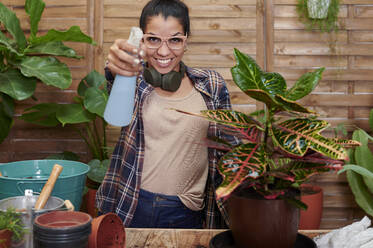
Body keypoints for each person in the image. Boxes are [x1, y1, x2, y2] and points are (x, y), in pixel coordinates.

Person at [96, 0, 237, 229]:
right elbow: (114, 76)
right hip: (132, 203)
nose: (163, 51)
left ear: (186, 41)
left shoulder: (210, 84)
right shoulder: (134, 80)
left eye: (174, 40)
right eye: (153, 39)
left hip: (186, 210)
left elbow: (231, 147)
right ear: (142, 40)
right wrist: (116, 68)